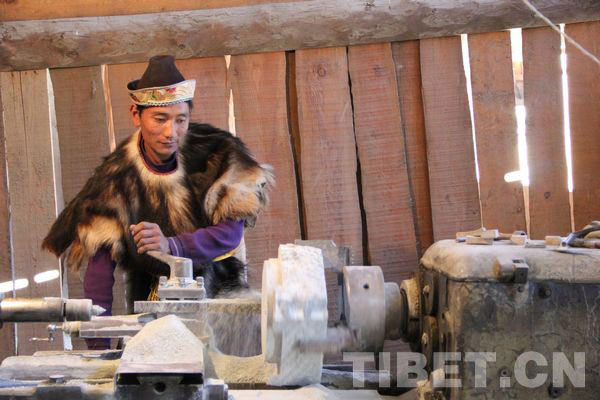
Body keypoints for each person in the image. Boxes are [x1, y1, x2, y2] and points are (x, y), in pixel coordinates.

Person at [42, 55, 273, 348]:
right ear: (136, 115)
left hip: (223, 297)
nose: (170, 132)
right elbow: (99, 274)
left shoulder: (217, 151)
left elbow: (230, 235)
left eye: (181, 120)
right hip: (151, 305)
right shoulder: (114, 180)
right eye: (160, 119)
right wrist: (99, 350)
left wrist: (171, 246)